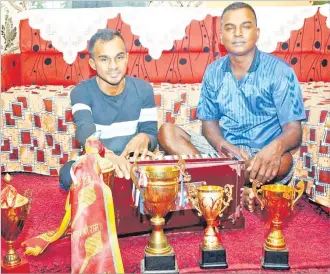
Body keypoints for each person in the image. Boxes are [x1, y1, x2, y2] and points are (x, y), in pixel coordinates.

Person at [158, 2, 306, 212]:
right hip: (224, 154)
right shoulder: (213, 72)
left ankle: (217, 184)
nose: (237, 33)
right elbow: (209, 127)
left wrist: (272, 149)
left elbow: (294, 131)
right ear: (221, 36)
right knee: (167, 132)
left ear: (257, 32)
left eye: (245, 26)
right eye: (230, 28)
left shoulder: (280, 71)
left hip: (263, 157)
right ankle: (238, 188)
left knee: (285, 161)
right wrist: (227, 149)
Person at [59, 29, 158, 190]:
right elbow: (86, 133)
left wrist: (144, 137)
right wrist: (109, 157)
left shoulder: (144, 89)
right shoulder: (81, 92)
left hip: (134, 164)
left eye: (119, 57)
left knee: (163, 171)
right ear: (93, 64)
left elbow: (152, 135)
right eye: (104, 59)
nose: (113, 66)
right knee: (68, 173)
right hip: (98, 163)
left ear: (127, 58)